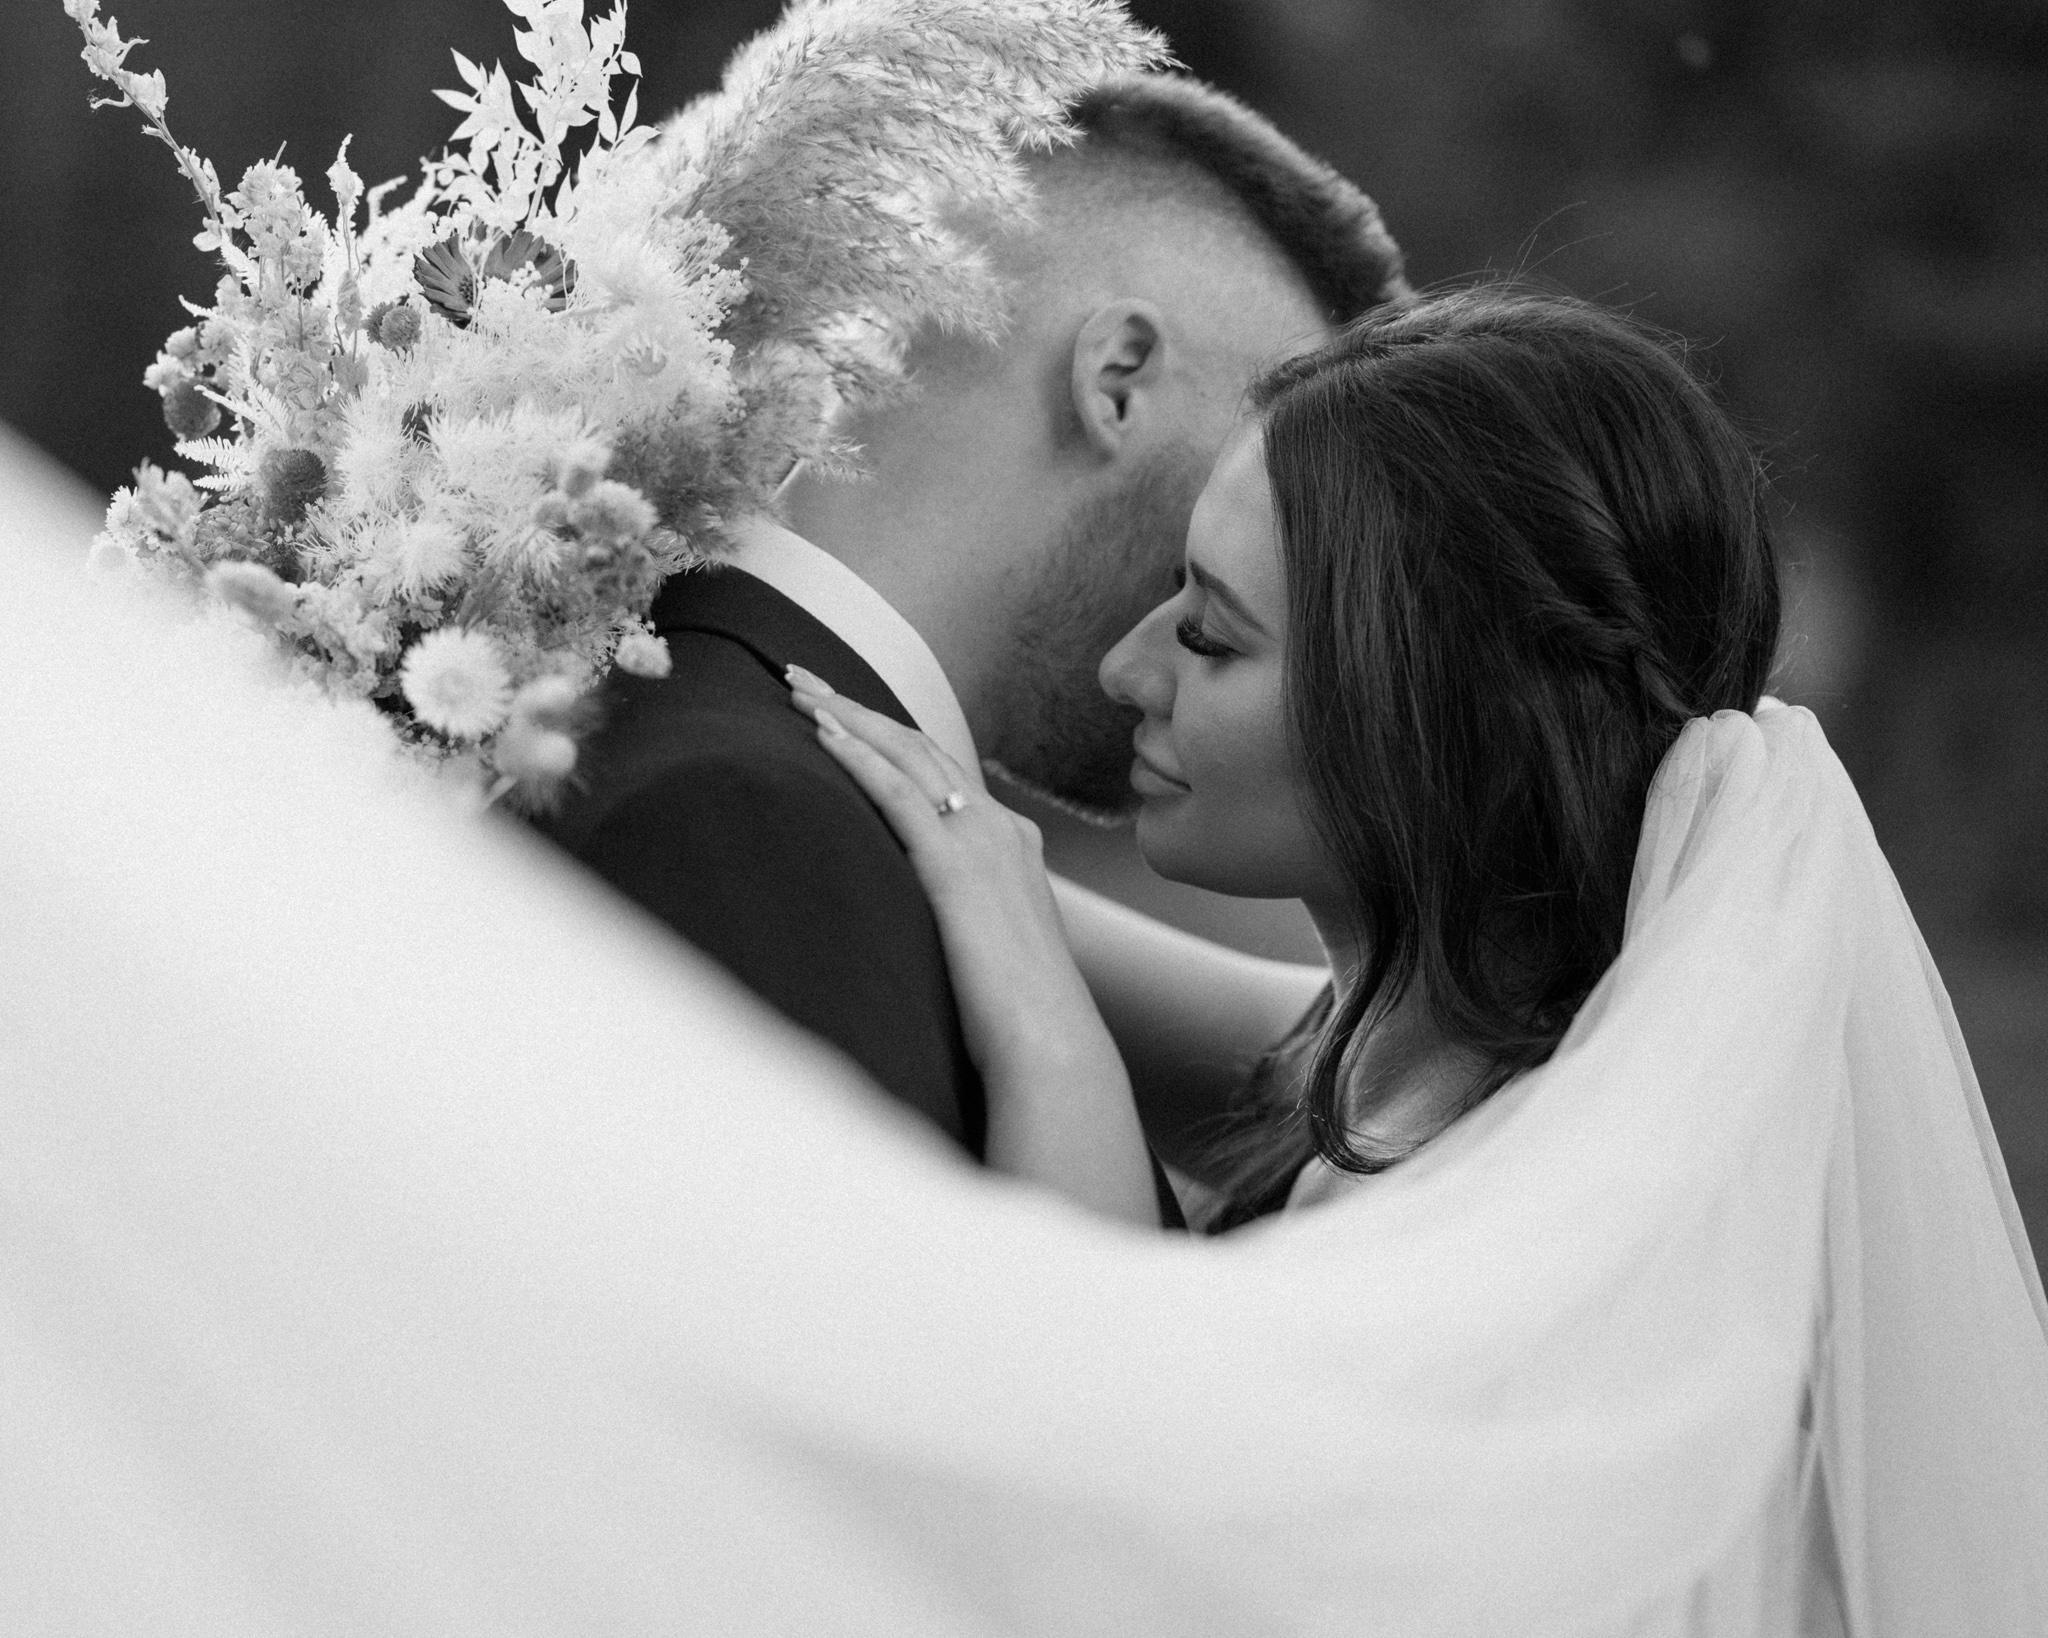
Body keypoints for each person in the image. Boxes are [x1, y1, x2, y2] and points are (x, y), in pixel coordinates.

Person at [539, 75, 1408, 1170]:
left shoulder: (761, 771)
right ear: (1118, 379)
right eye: (1262, 456)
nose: (1291, 562)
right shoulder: (741, 816)